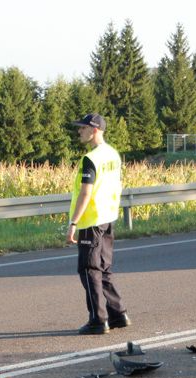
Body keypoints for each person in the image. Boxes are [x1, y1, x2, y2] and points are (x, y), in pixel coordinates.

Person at [66, 113, 130, 335]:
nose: (79, 131)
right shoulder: (113, 154)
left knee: (89, 269)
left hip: (92, 220)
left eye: (82, 128)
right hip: (108, 217)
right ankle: (118, 314)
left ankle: (97, 319)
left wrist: (73, 222)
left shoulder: (90, 159)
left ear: (94, 130)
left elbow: (86, 192)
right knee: (104, 268)